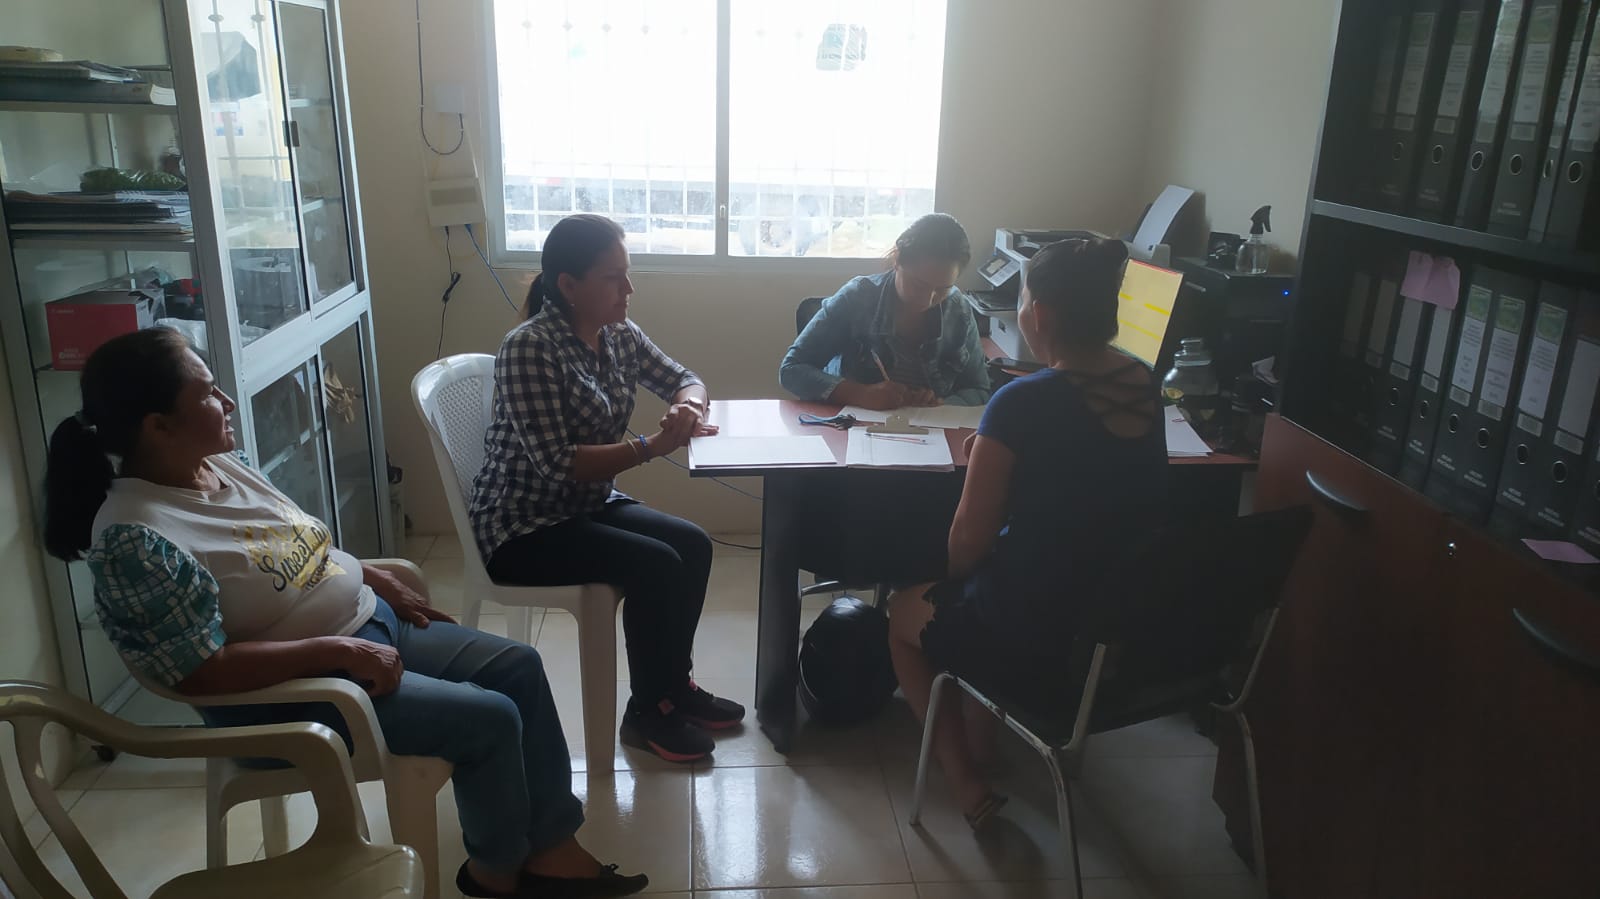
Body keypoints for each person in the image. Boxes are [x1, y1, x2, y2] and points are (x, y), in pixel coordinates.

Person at [43, 328, 645, 899]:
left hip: (364, 631)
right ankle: (497, 873)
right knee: (489, 718)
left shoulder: (218, 464)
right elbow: (198, 672)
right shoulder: (137, 538)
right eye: (207, 393)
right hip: (291, 695)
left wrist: (372, 576)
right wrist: (337, 652)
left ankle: (550, 846)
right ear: (157, 426)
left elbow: (294, 545)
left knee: (519, 666)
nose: (226, 401)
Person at [885, 238, 1168, 827]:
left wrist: (956, 582)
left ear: (1038, 314)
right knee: (1000, 593)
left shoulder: (1020, 402)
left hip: (1037, 638)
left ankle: (966, 781)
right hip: (1116, 632)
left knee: (905, 614)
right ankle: (985, 744)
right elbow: (1086, 478)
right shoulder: (1145, 384)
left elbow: (967, 543)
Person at [471, 214, 743, 765]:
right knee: (656, 565)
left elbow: (684, 377)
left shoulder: (619, 334)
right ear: (569, 286)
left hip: (586, 505)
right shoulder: (529, 348)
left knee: (693, 544)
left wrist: (688, 406)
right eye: (614, 277)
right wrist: (651, 446)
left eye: (627, 274)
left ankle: (675, 686)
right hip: (522, 525)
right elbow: (557, 464)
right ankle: (648, 712)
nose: (628, 288)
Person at [779, 212, 991, 410]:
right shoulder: (857, 298)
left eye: (943, 289)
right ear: (897, 259)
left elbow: (979, 390)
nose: (928, 300)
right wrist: (860, 394)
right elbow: (791, 369)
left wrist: (941, 405)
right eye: (919, 285)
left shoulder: (958, 311)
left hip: (929, 431)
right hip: (855, 427)